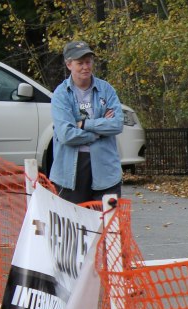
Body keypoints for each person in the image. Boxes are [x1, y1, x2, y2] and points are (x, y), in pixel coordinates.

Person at [49, 40, 124, 204]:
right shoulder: (61, 95)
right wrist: (98, 132)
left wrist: (84, 124)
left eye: (88, 62)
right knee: (75, 227)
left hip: (106, 171)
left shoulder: (107, 89)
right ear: (69, 65)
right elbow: (66, 134)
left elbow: (117, 124)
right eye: (80, 63)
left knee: (107, 226)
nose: (85, 67)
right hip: (70, 173)